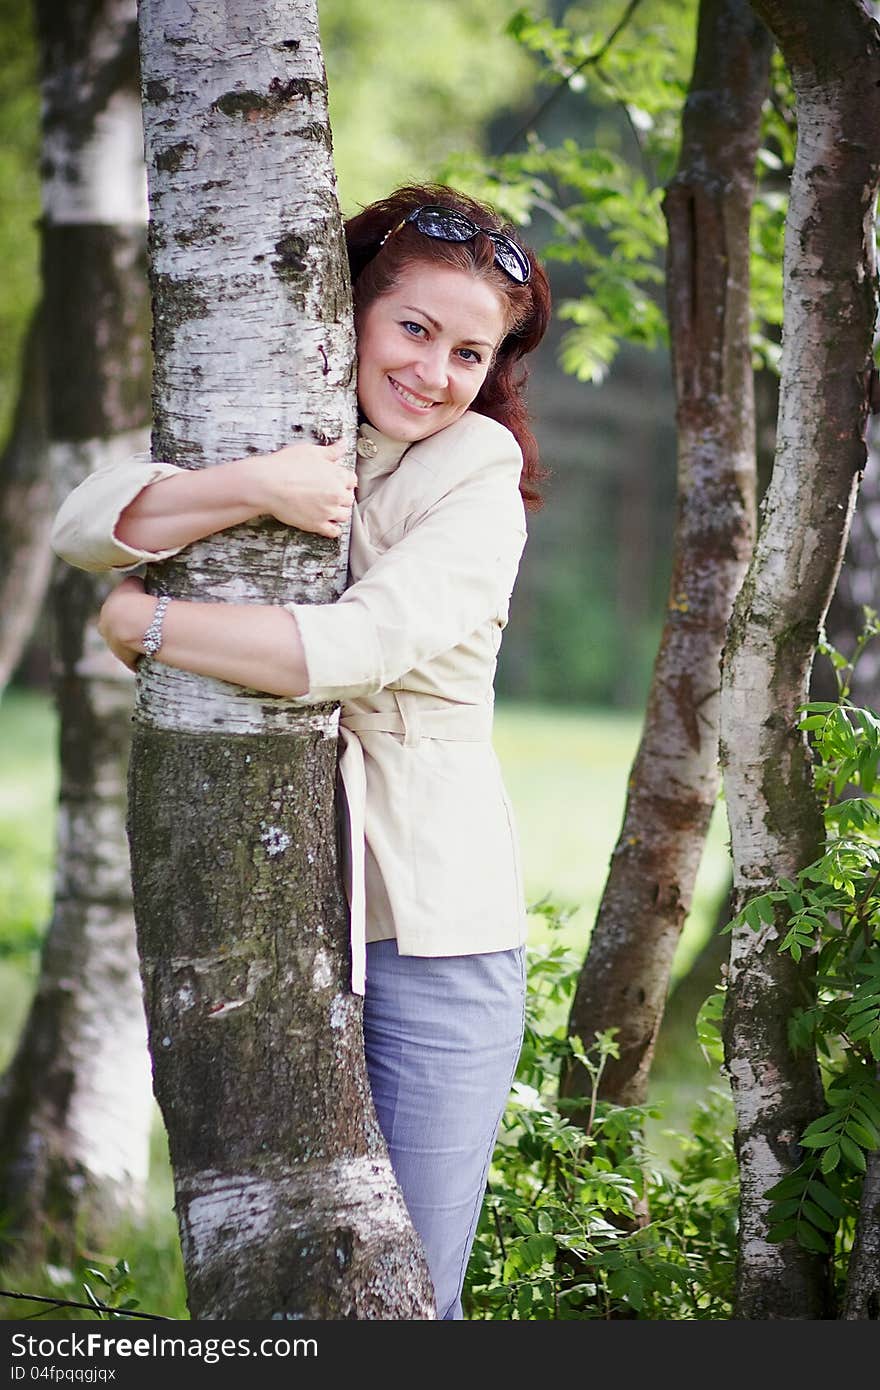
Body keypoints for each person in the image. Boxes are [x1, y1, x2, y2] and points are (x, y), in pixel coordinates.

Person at [50, 184, 552, 1320]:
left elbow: (360, 644)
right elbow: (84, 523)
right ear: (351, 309)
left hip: (431, 936)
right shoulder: (279, 405)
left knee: (406, 1291)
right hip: (270, 907)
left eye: (470, 352)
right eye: (414, 329)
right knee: (271, 1285)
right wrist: (253, 486)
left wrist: (149, 625)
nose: (434, 371)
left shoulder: (475, 476)